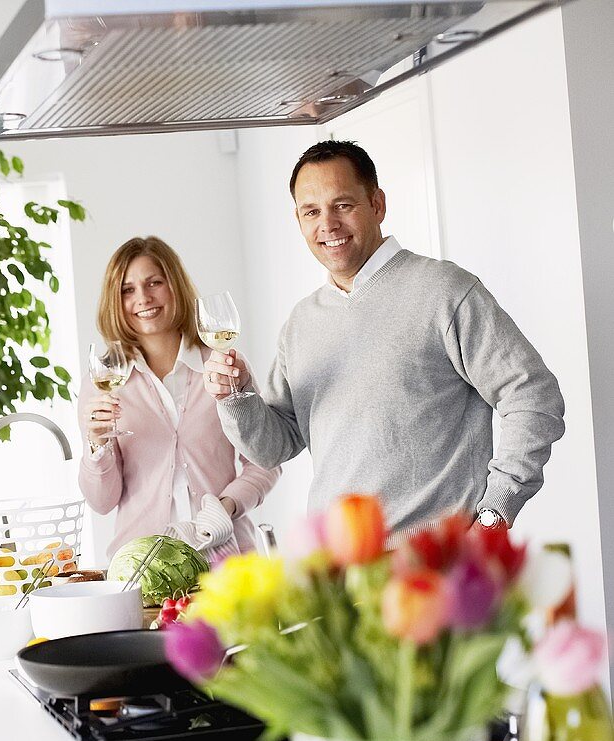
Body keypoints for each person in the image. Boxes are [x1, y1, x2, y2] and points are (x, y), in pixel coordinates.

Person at [204, 141, 566, 543]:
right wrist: (236, 397)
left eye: (343, 205)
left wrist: (495, 512)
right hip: (337, 572)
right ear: (299, 219)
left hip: (435, 566)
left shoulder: (445, 291)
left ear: (377, 204)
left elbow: (532, 395)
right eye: (311, 211)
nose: (327, 224)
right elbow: (275, 446)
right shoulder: (301, 322)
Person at [79, 236, 280, 563]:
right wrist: (97, 446)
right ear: (115, 301)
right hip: (144, 569)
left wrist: (225, 507)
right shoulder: (101, 384)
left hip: (228, 560)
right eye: (127, 290)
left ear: (175, 286)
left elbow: (264, 460)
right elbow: (102, 502)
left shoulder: (223, 366)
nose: (143, 298)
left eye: (154, 282)